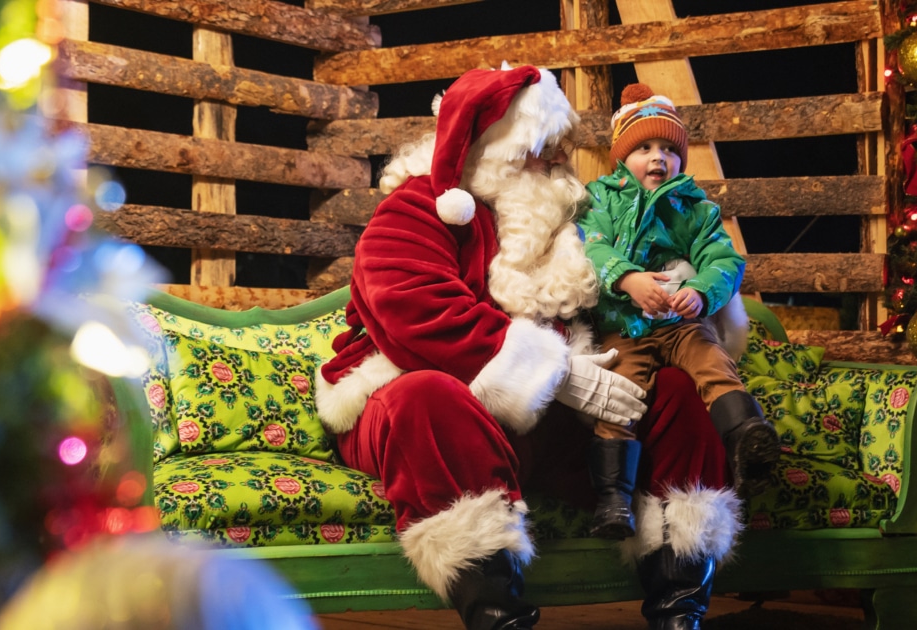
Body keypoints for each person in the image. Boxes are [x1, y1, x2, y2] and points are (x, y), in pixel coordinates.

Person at [314, 66, 739, 630]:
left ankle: (679, 601)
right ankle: (496, 611)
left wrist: (682, 290)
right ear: (493, 150)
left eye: (560, 148)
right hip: (417, 405)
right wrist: (558, 373)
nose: (558, 162)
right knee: (427, 397)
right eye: (542, 150)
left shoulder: (576, 225)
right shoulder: (420, 207)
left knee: (675, 395)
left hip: (546, 423)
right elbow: (413, 312)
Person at [576, 84, 780, 539]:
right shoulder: (602, 200)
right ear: (621, 157)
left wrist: (702, 294)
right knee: (617, 394)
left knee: (713, 362)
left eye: (669, 149)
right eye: (645, 148)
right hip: (625, 326)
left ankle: (747, 438)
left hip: (679, 324)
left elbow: (723, 260)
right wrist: (628, 278)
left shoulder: (695, 208)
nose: (658, 159)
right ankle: (612, 498)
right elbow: (590, 245)